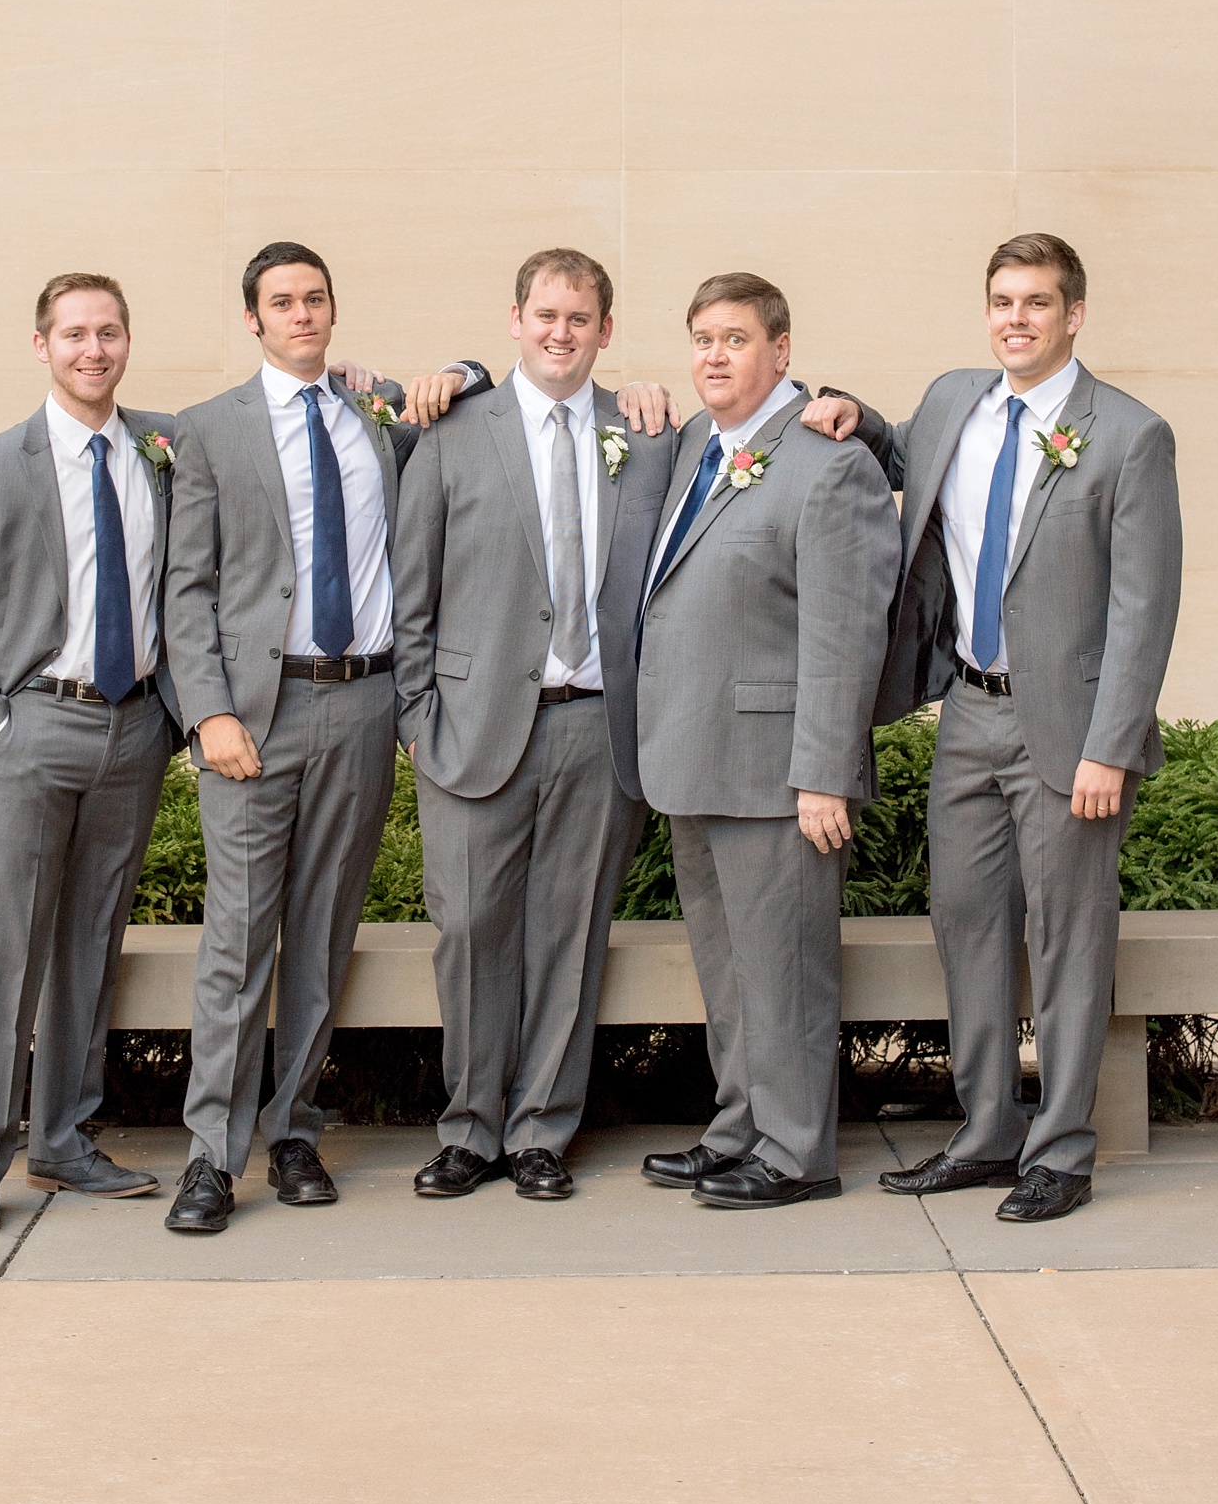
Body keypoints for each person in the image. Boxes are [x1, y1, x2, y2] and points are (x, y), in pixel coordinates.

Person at [804, 233, 1182, 1221]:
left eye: (1036, 302)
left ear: (1073, 314)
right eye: (1001, 301)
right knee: (963, 920)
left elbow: (1144, 607)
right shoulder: (951, 399)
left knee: (1065, 937)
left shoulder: (1128, 436)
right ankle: (983, 1133)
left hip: (1069, 733)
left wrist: (1110, 742)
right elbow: (900, 450)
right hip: (966, 710)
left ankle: (1059, 1148)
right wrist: (849, 407)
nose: (1015, 318)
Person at [160, 242, 490, 1234]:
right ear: (252, 318)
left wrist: (466, 370)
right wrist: (208, 709)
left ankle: (293, 1128)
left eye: (314, 298)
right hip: (256, 713)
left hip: (363, 705)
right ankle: (211, 1155)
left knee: (320, 933)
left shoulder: (373, 411)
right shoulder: (211, 429)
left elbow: (475, 388)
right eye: (280, 302)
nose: (300, 313)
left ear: (332, 310)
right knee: (240, 934)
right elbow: (187, 586)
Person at [391, 248, 678, 1200]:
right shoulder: (452, 430)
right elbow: (410, 594)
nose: (562, 333)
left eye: (581, 318)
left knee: (570, 931)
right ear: (515, 320)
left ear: (604, 330)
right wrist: (417, 719)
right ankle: (469, 1127)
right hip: (470, 728)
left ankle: (541, 1131)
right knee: (469, 929)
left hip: (596, 730)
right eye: (546, 315)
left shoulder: (642, 436)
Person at [0, 274, 183, 1231]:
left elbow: (283, 408)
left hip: (137, 727)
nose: (94, 350)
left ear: (127, 340)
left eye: (110, 332)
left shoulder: (164, 449)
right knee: (4, 952)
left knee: (90, 944)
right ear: (42, 346)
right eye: (74, 334)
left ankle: (64, 1143)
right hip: (33, 729)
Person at [634, 271, 900, 1209]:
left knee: (783, 967)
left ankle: (797, 1154)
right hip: (694, 757)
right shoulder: (699, 447)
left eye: (735, 339)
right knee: (732, 967)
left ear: (781, 352)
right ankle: (740, 1126)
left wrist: (825, 773)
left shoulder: (830, 463)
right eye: (702, 337)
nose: (714, 354)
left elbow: (845, 632)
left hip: (781, 771)